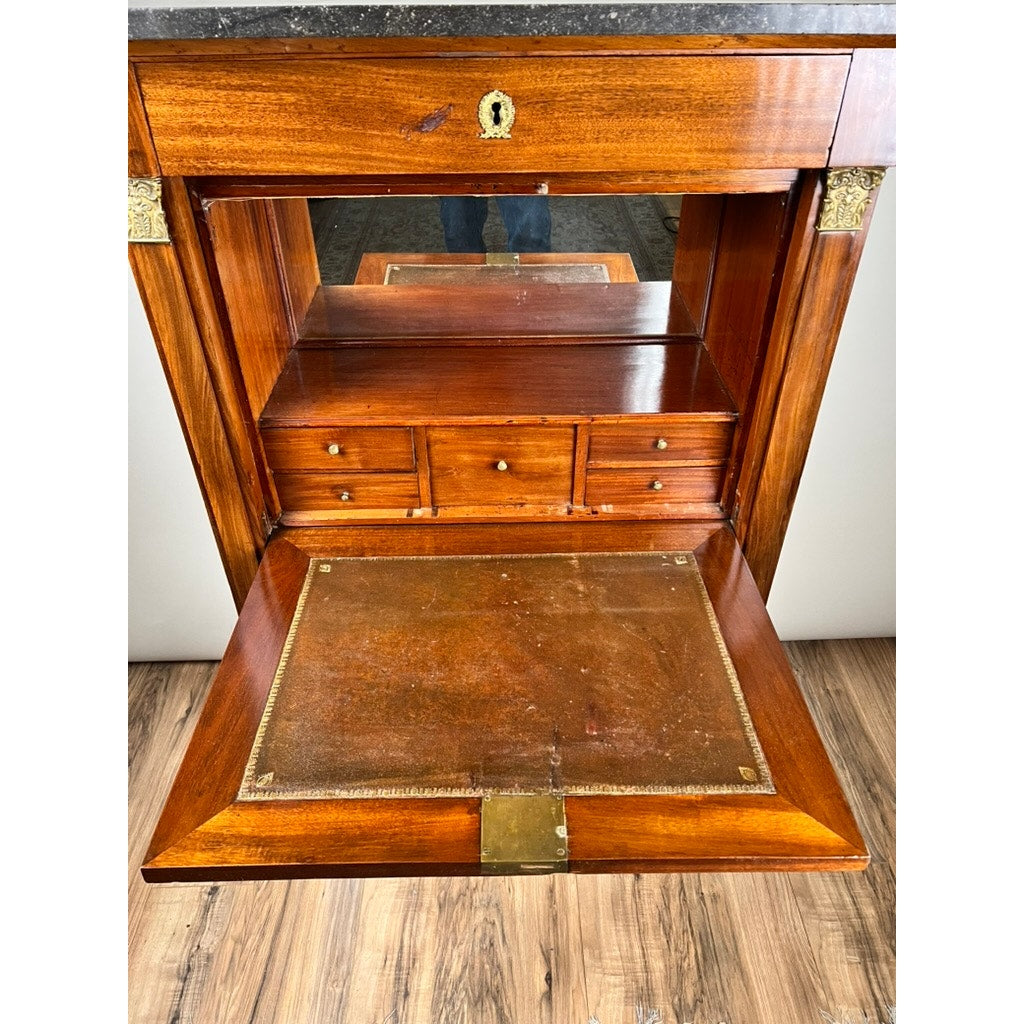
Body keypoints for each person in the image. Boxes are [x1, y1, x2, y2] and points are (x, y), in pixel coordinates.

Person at [439, 195, 551, 253]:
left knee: (531, 237)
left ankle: (530, 290)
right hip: (456, 159)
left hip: (519, 157)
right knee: (459, 235)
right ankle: (469, 289)